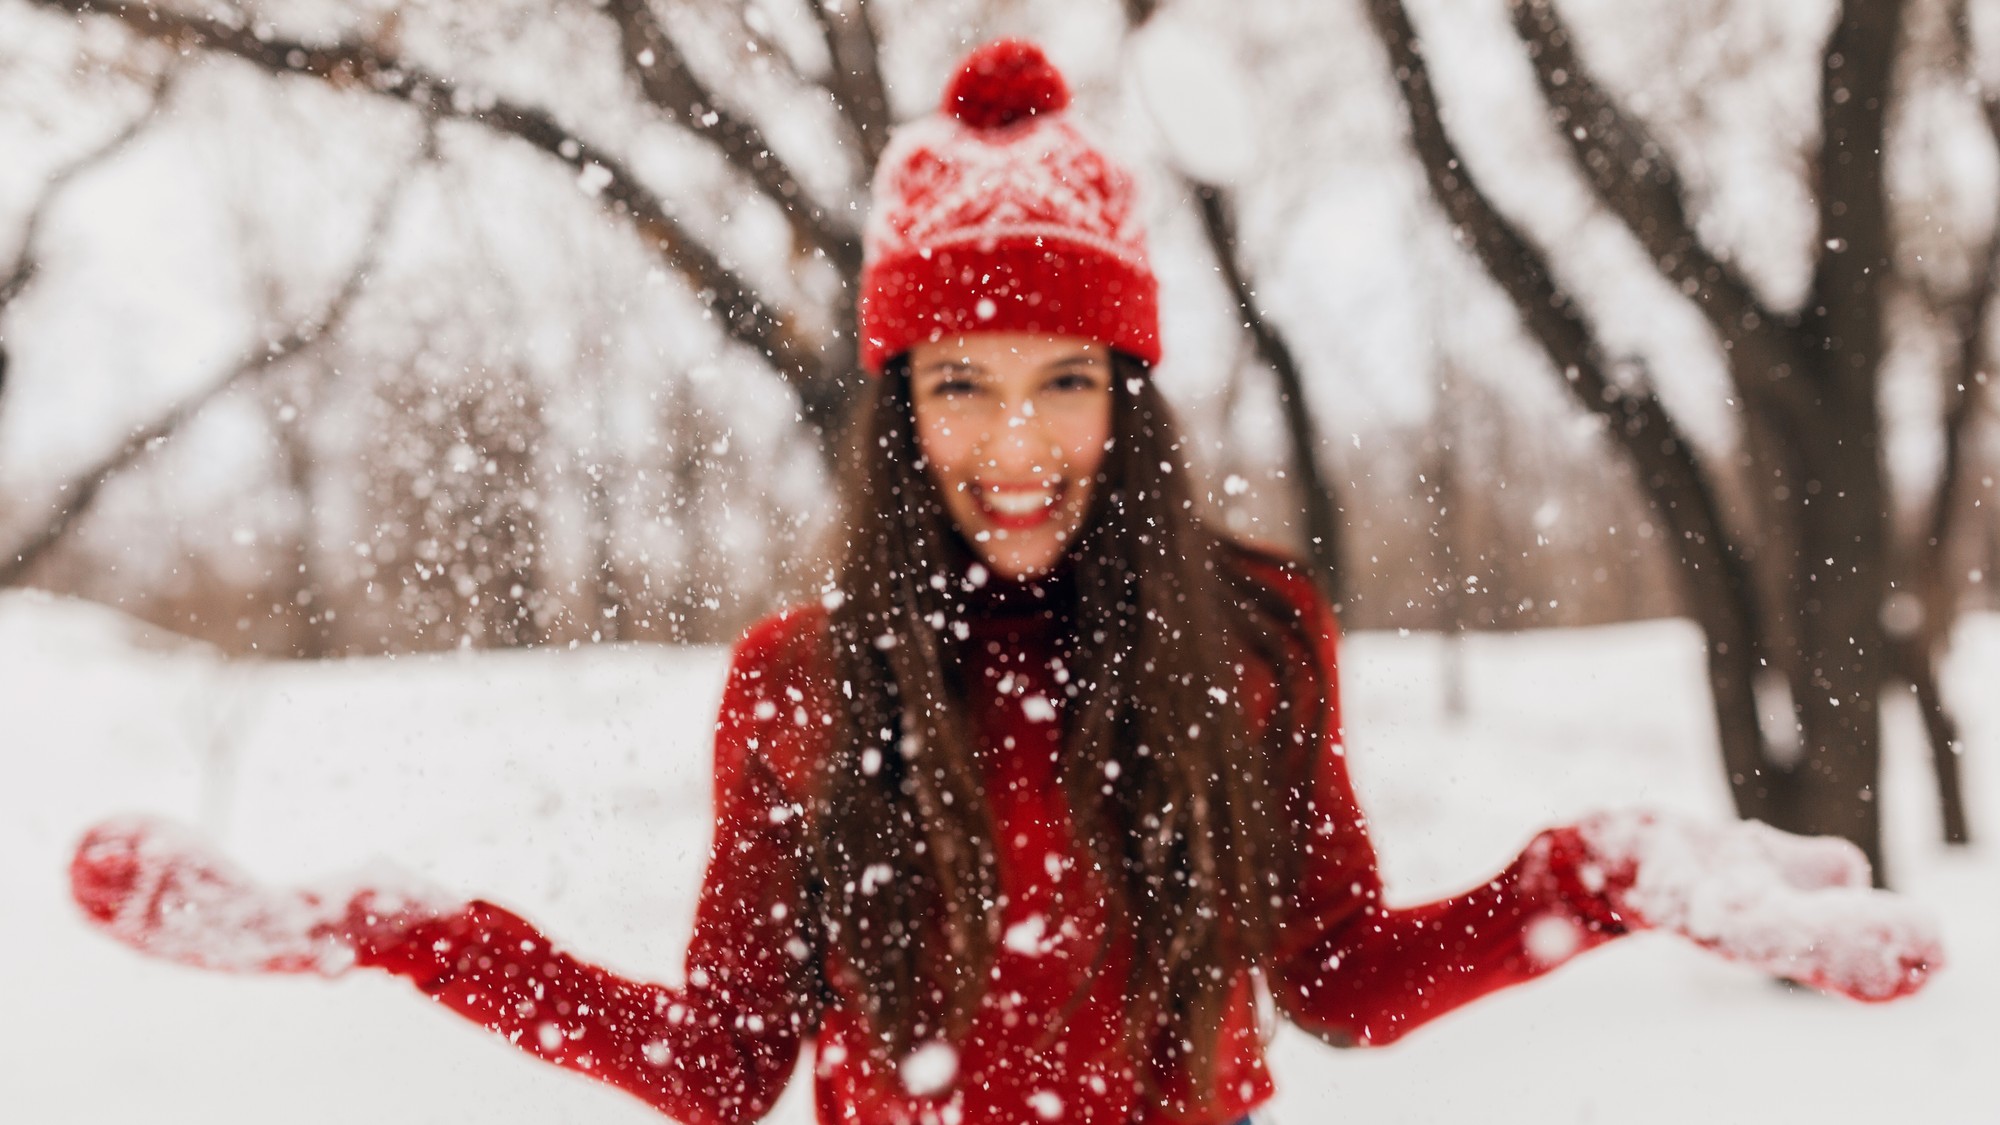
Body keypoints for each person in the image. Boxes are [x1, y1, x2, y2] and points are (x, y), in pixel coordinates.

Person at [69, 39, 1939, 1125]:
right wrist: (391, 928)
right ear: (897, 413)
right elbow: (721, 1068)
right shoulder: (805, 683)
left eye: (1064, 381)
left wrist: (1609, 877)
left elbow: (1342, 983)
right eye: (960, 385)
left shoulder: (1253, 633)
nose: (1018, 443)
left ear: (1132, 402)